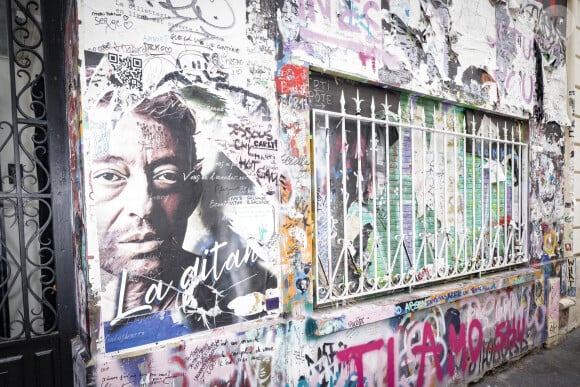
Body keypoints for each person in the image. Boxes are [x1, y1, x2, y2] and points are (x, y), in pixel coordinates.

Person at [88, 90, 277, 347]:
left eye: (166, 175)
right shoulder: (79, 312)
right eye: (110, 176)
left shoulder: (240, 288)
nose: (143, 206)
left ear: (193, 192)